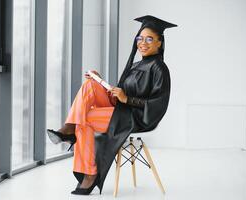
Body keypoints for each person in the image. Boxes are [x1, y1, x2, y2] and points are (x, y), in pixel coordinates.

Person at [47, 15, 177, 195]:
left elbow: (158, 104)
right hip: (122, 109)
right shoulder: (136, 64)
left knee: (85, 119)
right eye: (140, 38)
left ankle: (88, 169)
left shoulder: (159, 68)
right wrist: (100, 80)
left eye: (149, 39)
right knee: (90, 84)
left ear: (159, 43)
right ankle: (69, 129)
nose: (143, 42)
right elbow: (119, 95)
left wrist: (128, 100)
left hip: (137, 117)